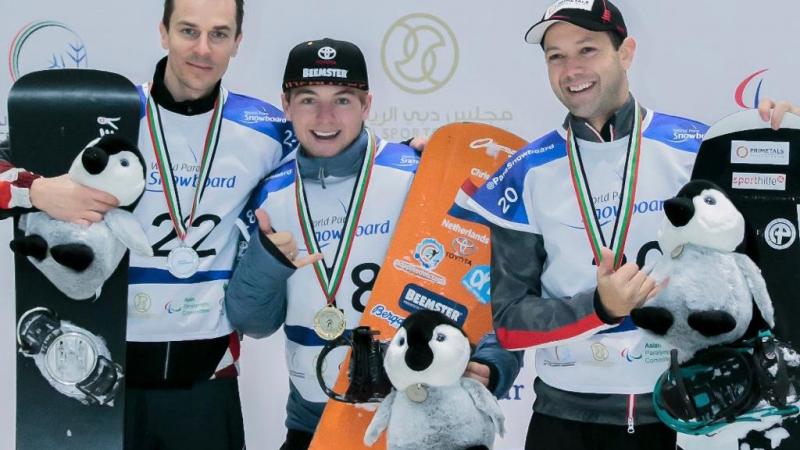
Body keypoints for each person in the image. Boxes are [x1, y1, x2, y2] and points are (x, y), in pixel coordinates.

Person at [456, 1, 799, 449]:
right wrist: (599, 307)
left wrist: (773, 134)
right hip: (565, 419)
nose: (571, 69)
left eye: (587, 49)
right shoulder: (526, 172)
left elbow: (764, 272)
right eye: (555, 56)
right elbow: (511, 322)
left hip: (688, 416)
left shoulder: (697, 148)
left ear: (627, 52)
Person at [1, 1, 295, 448]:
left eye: (219, 34)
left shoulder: (266, 129)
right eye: (188, 31)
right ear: (163, 32)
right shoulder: (105, 114)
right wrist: (34, 191)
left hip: (206, 384)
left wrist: (416, 155)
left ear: (238, 42)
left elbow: (339, 162)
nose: (202, 48)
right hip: (107, 384)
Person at [225, 38, 522, 450]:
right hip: (315, 426)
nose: (325, 116)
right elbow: (252, 321)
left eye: (343, 100)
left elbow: (492, 285)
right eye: (309, 99)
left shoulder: (418, 175)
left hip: (415, 425)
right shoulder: (271, 195)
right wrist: (268, 260)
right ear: (286, 105)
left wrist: (495, 363)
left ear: (367, 105)